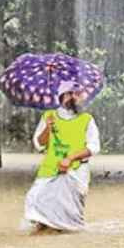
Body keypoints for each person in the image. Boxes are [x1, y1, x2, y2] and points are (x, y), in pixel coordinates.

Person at [23, 83, 101, 232]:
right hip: (50, 170)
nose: (74, 97)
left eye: (77, 94)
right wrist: (48, 128)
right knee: (35, 204)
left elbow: (93, 147)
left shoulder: (87, 119)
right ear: (61, 97)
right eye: (70, 94)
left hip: (76, 172)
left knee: (70, 218)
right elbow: (39, 144)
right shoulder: (49, 116)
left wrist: (70, 159)